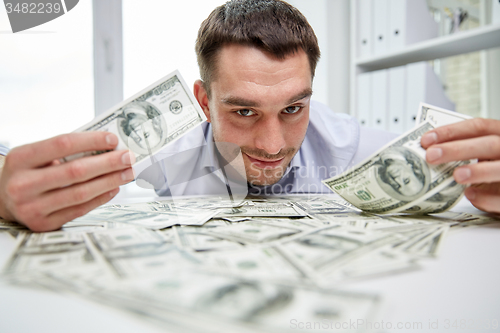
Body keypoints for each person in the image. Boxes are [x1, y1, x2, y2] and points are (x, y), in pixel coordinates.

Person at [0, 0, 499, 233]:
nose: (273, 143)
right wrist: (5, 195)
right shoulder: (166, 149)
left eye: (293, 108)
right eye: (243, 111)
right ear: (202, 101)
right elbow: (32, 164)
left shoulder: (347, 147)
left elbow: (448, 170)